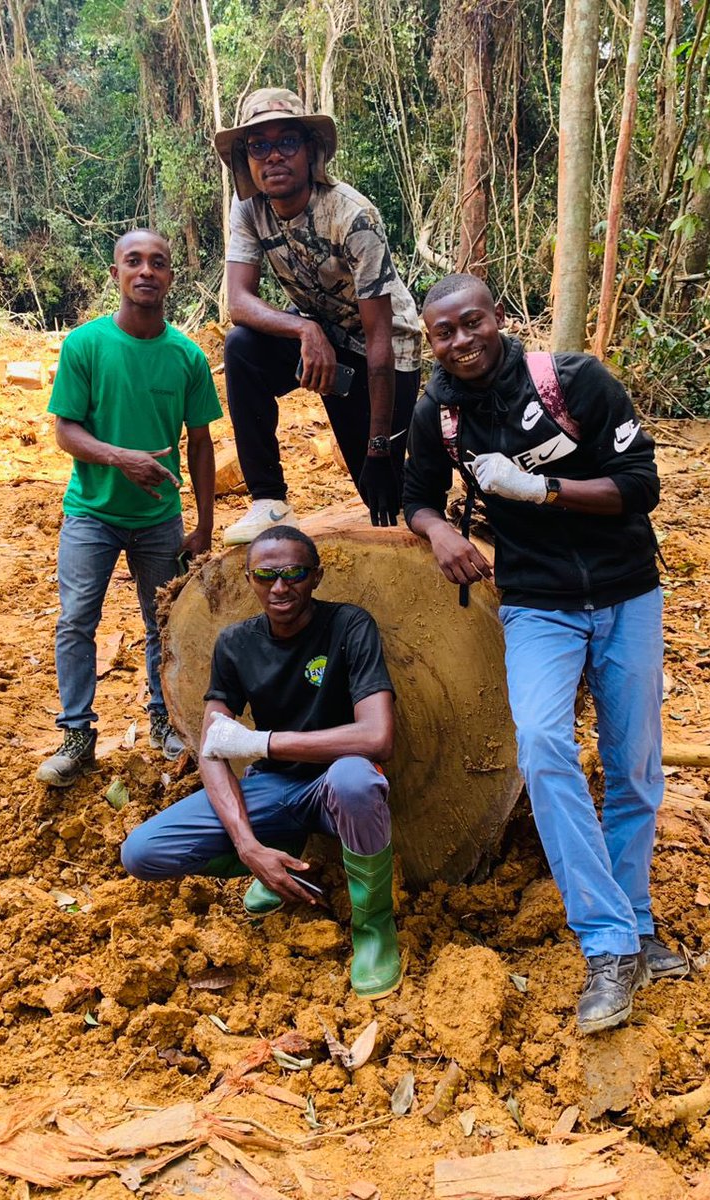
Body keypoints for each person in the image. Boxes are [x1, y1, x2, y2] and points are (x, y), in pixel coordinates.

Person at [403, 273, 688, 1034]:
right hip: (537, 603)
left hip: (627, 592)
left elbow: (642, 485)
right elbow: (417, 496)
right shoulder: (438, 412)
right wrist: (439, 532)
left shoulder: (574, 382)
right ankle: (607, 943)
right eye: (443, 332)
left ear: (497, 318)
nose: (460, 341)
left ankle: (634, 919)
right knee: (542, 743)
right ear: (428, 339)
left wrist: (542, 490)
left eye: (472, 323)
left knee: (632, 765)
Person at [121, 526, 402, 1000]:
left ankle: (374, 927)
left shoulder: (350, 626)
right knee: (143, 852)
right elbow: (214, 745)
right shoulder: (235, 643)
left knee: (357, 778)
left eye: (293, 573)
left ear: (316, 576)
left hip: (333, 785)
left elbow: (377, 737)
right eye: (265, 575)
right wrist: (247, 846)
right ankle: (273, 858)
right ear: (250, 578)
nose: (279, 587)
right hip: (272, 789)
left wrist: (266, 742)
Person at [37, 229, 222, 787]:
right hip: (90, 512)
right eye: (133, 262)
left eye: (158, 263)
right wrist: (121, 458)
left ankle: (165, 720)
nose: (146, 271)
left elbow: (201, 441)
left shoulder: (187, 356)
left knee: (162, 623)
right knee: (76, 621)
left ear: (170, 277)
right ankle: (77, 737)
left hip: (160, 520)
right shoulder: (84, 346)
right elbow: (66, 432)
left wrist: (205, 524)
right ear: (115, 273)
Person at [213, 87, 422, 543]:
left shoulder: (353, 216)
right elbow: (239, 303)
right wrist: (304, 327)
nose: (273, 157)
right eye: (258, 145)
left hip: (385, 351)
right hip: (322, 337)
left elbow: (381, 338)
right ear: (246, 159)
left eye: (287, 141)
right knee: (242, 348)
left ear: (311, 151)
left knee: (385, 494)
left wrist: (379, 445)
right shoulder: (248, 209)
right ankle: (269, 502)